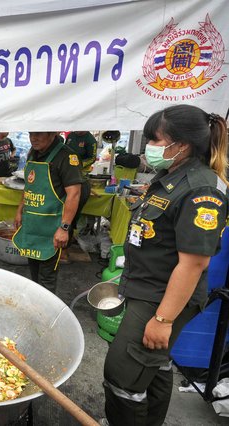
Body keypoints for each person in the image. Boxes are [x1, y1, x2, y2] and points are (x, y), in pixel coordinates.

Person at [101, 106, 229, 426]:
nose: (149, 146)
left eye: (155, 140)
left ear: (181, 144)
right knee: (154, 365)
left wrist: (162, 319)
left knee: (122, 375)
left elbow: (194, 263)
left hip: (162, 299)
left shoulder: (202, 189)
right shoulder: (171, 175)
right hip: (148, 287)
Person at [12, 132, 82, 293]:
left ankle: (46, 315)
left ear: (52, 133)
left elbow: (74, 194)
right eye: (31, 134)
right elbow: (29, 186)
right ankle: (37, 308)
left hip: (52, 228)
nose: (33, 138)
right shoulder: (33, 152)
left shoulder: (66, 156)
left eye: (38, 134)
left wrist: (64, 228)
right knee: (34, 274)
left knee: (47, 278)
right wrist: (19, 210)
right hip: (32, 226)